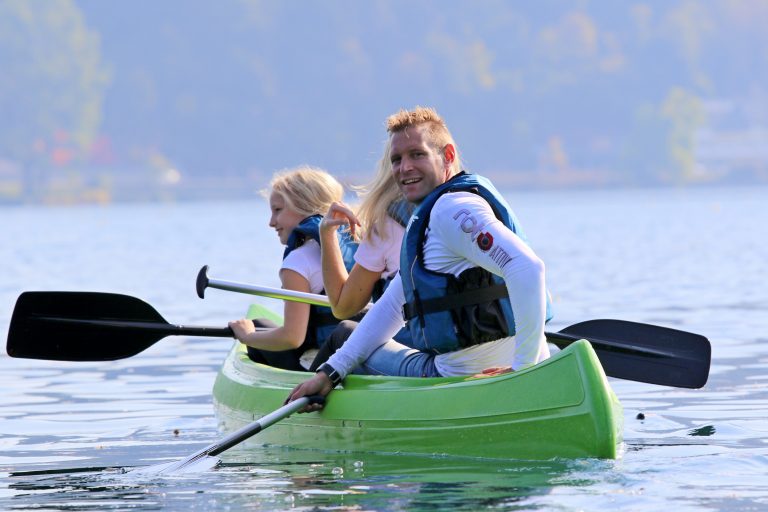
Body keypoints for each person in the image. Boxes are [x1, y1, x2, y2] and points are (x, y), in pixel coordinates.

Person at [287, 106, 553, 409]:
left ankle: (311, 398)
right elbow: (391, 306)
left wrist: (523, 371)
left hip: (460, 379)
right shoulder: (435, 217)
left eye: (417, 155)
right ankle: (324, 379)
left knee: (346, 333)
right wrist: (332, 371)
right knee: (350, 346)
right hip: (519, 369)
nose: (404, 168)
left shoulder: (451, 210)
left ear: (448, 156)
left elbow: (528, 268)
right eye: (396, 160)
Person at [228, 166, 358, 371]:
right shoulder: (360, 244)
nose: (271, 222)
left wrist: (248, 337)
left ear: (305, 207)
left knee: (258, 326)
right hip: (365, 352)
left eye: (278, 210)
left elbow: (292, 337)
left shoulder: (297, 262)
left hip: (325, 365)